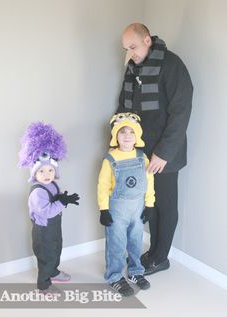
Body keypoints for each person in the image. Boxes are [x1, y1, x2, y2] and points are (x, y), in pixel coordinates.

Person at [116, 23, 193, 275]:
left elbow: (180, 113)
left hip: (165, 155)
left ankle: (161, 257)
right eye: (127, 48)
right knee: (152, 204)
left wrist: (163, 153)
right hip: (141, 152)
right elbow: (124, 108)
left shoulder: (172, 65)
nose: (131, 53)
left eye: (134, 46)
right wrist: (120, 137)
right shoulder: (133, 69)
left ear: (147, 40)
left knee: (166, 205)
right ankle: (153, 252)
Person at [97, 112, 155, 296]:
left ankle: (135, 272)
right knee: (116, 244)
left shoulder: (142, 156)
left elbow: (149, 181)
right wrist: (104, 209)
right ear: (116, 136)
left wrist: (150, 204)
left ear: (137, 135)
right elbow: (103, 186)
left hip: (137, 209)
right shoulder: (110, 159)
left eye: (131, 131)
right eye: (123, 132)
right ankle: (114, 276)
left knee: (136, 242)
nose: (127, 136)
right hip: (117, 211)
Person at [18, 122, 80, 293]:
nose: (47, 175)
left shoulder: (52, 185)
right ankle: (44, 284)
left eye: (50, 171)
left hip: (53, 227)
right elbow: (46, 210)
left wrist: (62, 197)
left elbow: (55, 200)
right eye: (42, 172)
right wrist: (62, 202)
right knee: (46, 255)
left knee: (56, 249)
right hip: (43, 230)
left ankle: (53, 271)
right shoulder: (37, 192)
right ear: (35, 173)